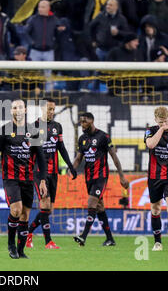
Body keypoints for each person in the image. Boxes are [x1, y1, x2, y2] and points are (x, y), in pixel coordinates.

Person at [0, 99, 48, 259]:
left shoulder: (34, 131)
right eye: (14, 108)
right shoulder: (4, 131)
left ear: (25, 110)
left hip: (28, 179)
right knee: (16, 210)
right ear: (11, 111)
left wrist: (43, 180)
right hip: (10, 179)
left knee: (25, 215)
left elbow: (41, 158)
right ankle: (11, 245)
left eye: (20, 107)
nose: (17, 110)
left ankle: (21, 250)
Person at [26, 98, 77, 249]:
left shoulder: (57, 127)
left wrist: (71, 166)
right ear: (42, 109)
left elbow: (61, 147)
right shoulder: (33, 127)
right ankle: (49, 242)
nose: (52, 112)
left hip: (53, 172)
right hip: (39, 172)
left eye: (54, 109)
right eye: (49, 109)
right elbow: (29, 152)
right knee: (44, 204)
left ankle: (28, 233)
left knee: (49, 209)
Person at [72, 112, 129, 246]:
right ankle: (110, 239)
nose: (82, 124)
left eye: (84, 121)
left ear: (91, 121)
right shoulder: (82, 139)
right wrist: (71, 169)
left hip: (101, 177)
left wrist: (121, 176)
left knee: (91, 204)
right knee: (99, 207)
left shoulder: (103, 136)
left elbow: (114, 157)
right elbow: (79, 158)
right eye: (81, 122)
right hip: (89, 177)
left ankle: (83, 236)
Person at [144, 107, 168, 251]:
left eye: (166, 121)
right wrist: (161, 129)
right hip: (154, 177)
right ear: (155, 120)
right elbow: (150, 144)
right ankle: (157, 243)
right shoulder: (150, 131)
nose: (164, 124)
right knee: (155, 209)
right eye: (161, 122)